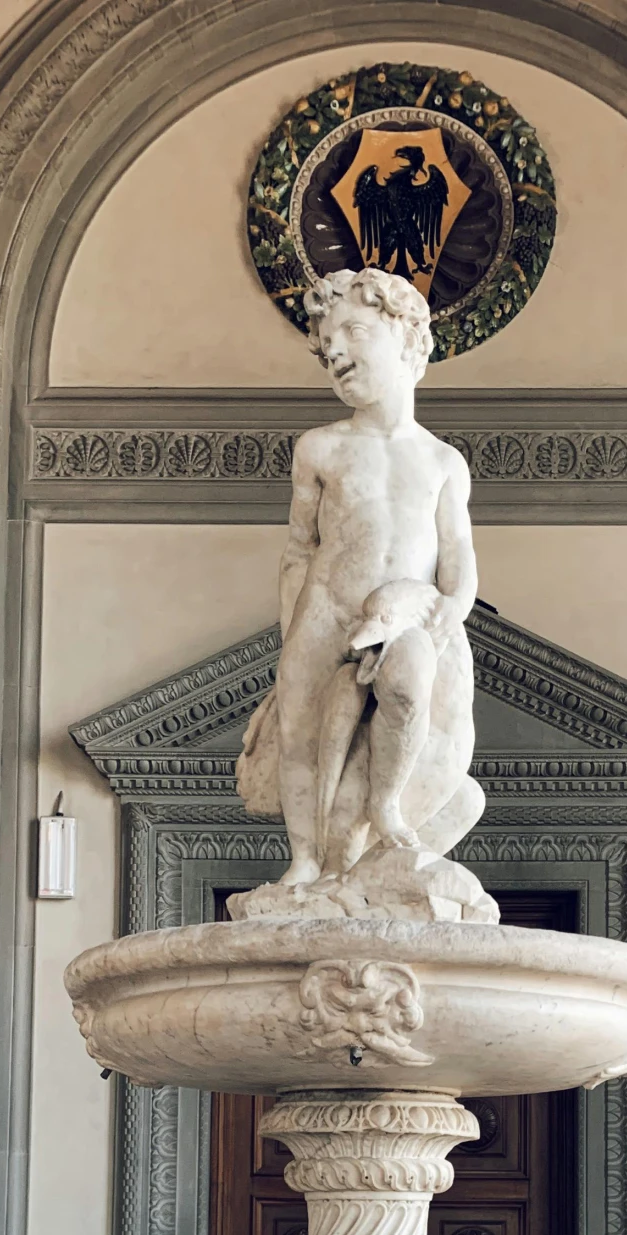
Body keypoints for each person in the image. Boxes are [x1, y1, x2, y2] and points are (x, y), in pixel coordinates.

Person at [233, 267, 491, 922]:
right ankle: (307, 861)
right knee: (300, 727)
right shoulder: (319, 448)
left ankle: (388, 805)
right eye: (326, 344)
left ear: (408, 341)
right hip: (326, 609)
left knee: (406, 693)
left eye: (353, 331)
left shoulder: (441, 462)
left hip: (405, 615)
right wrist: (293, 632)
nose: (336, 351)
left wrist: (444, 611)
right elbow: (299, 549)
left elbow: (458, 559)